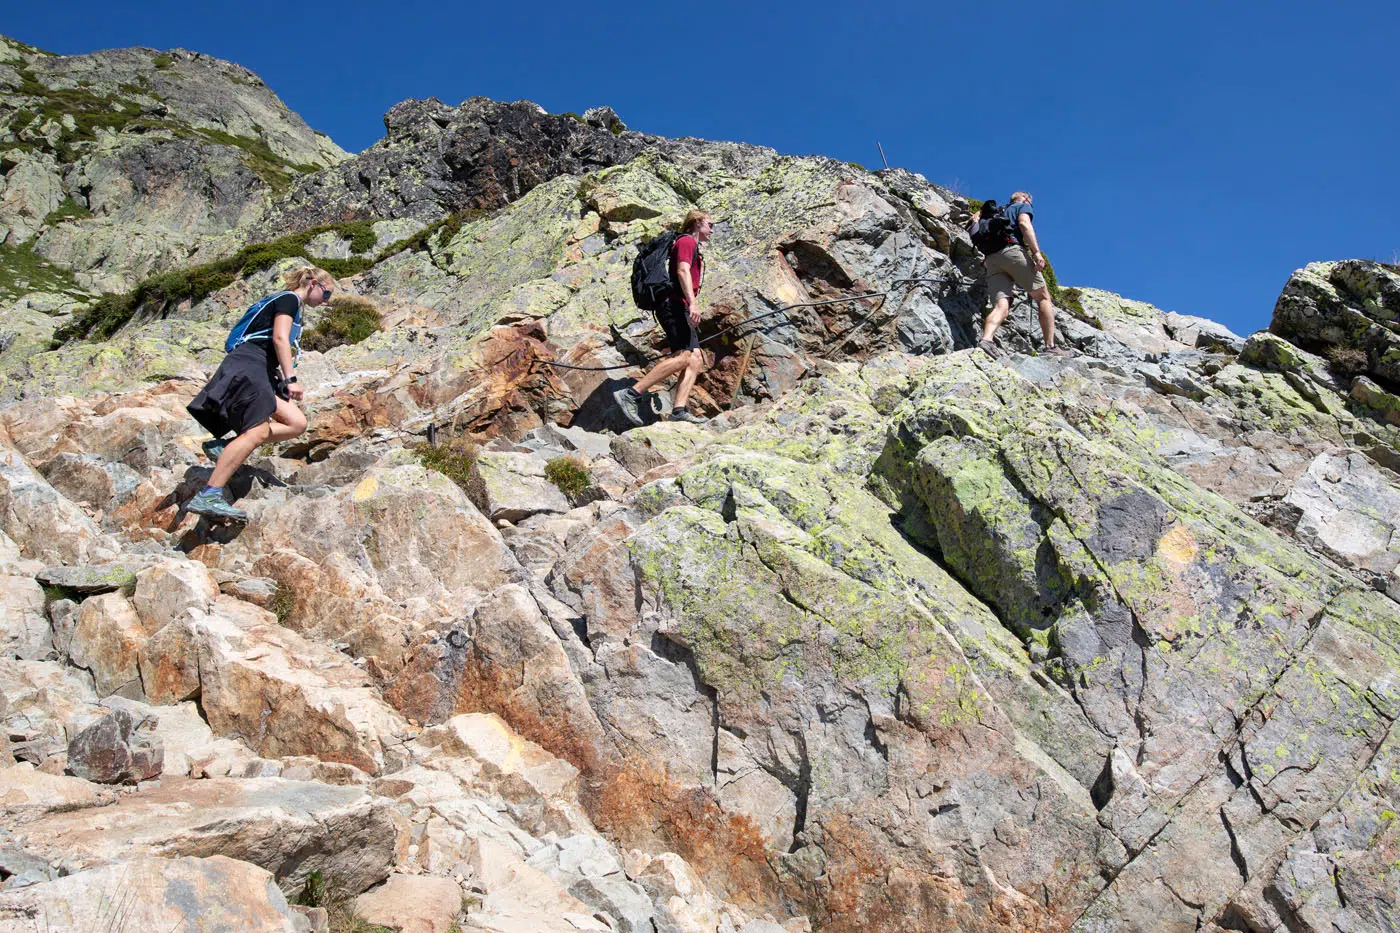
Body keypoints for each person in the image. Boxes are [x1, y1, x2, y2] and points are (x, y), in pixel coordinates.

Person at [184, 266, 335, 521]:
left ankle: (227, 447)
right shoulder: (289, 299)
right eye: (327, 294)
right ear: (314, 284)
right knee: (258, 431)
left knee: (297, 423)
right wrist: (291, 380)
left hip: (260, 369)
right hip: (249, 364)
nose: (326, 301)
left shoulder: (292, 305)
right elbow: (279, 339)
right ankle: (210, 494)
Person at [614, 210, 713, 426]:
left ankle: (679, 410)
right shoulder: (687, 241)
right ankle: (631, 393)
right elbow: (682, 271)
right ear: (697, 223)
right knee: (684, 355)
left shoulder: (686, 242)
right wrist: (693, 303)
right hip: (673, 303)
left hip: (676, 303)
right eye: (709, 224)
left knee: (695, 358)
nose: (712, 230)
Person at [967, 191, 1067, 357]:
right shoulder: (1022, 206)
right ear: (1026, 199)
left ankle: (987, 340)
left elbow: (973, 222)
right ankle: (1050, 347)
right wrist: (1036, 253)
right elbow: (1024, 224)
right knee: (1043, 297)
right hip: (1012, 252)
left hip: (991, 260)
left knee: (1001, 305)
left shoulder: (995, 212)